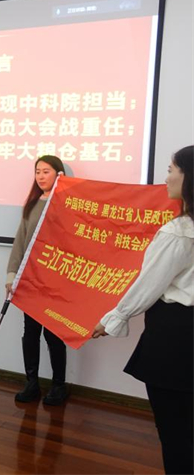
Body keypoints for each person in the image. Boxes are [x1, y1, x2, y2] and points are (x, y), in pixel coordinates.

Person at [92, 146, 193, 475]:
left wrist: (113, 319)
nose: (166, 178)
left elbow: (148, 285)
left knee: (176, 431)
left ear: (189, 177)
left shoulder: (179, 232)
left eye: (171, 170)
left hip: (176, 341)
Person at [6, 155, 69, 405]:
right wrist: (12, 275)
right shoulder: (32, 204)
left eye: (46, 171)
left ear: (59, 174)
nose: (41, 176)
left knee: (53, 335)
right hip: (30, 281)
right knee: (30, 333)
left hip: (55, 282)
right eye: (38, 172)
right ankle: (31, 383)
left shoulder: (67, 204)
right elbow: (20, 241)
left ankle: (59, 385)